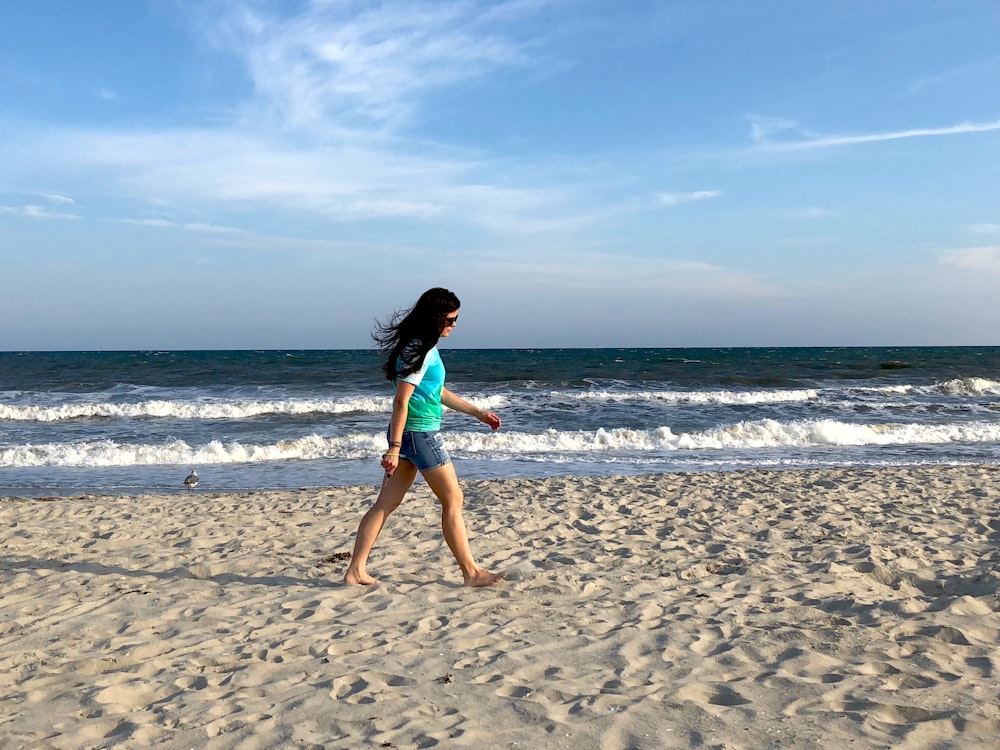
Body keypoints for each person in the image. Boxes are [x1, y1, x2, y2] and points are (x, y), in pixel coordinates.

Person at [344, 288, 505, 587]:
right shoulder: (419, 351)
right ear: (436, 318)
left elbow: (437, 392)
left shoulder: (420, 347)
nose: (455, 325)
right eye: (452, 319)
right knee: (453, 499)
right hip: (419, 435)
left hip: (409, 436)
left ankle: (355, 570)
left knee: (384, 504)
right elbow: (401, 401)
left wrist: (478, 413)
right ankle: (471, 573)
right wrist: (393, 449)